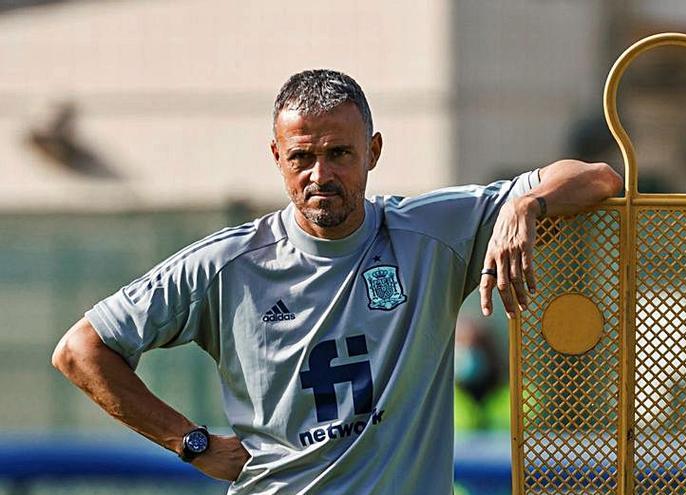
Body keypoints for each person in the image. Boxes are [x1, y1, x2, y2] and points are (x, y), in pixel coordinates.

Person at [51, 69, 621, 494]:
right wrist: (189, 441)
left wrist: (527, 205)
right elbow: (81, 350)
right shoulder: (227, 265)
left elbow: (598, 178)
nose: (320, 174)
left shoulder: (432, 232)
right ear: (276, 156)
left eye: (339, 153)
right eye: (302, 156)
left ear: (373, 151)